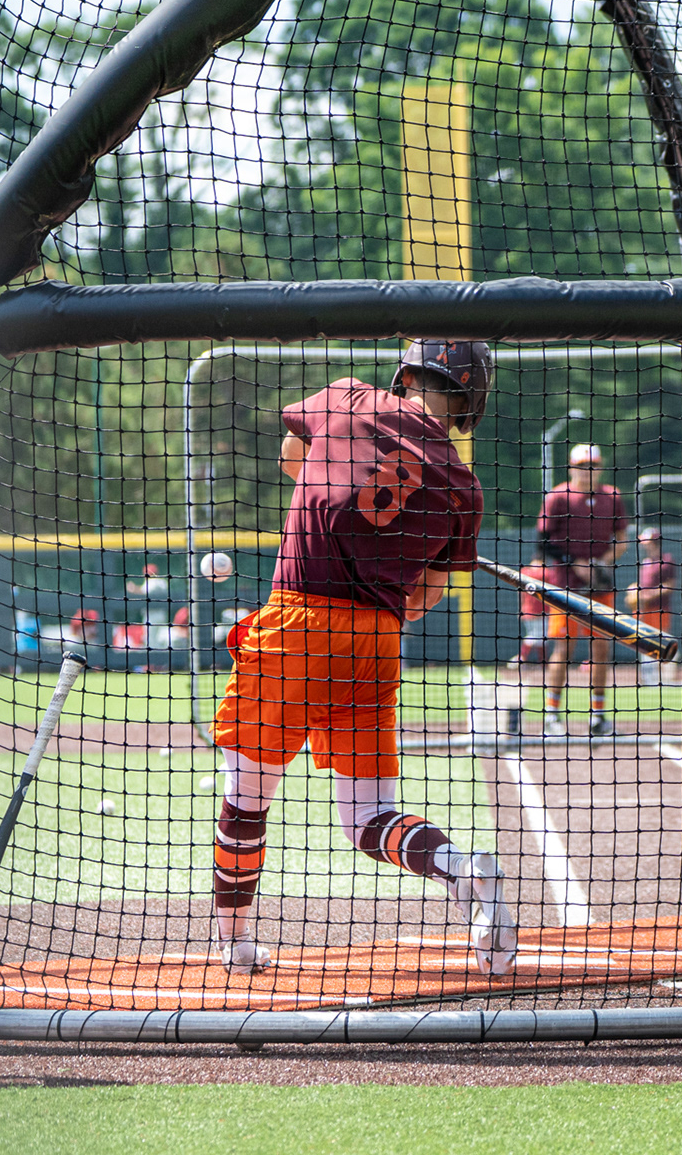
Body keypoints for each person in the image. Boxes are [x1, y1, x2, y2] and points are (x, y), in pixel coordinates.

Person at [210, 340, 515, 977]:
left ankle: (235, 941)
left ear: (408, 372)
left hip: (297, 625)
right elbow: (423, 599)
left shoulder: (349, 397)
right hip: (376, 640)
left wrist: (336, 489)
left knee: (247, 798)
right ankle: (458, 865)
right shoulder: (463, 486)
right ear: (470, 400)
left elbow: (291, 456)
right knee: (368, 817)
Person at [537, 442, 628, 736]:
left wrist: (601, 563)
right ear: (571, 468)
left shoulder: (612, 496)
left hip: (599, 586)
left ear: (600, 467)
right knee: (564, 647)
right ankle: (552, 715)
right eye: (582, 466)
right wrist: (575, 563)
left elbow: (622, 538)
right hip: (565, 587)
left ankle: (598, 716)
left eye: (593, 466)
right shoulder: (558, 497)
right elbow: (542, 542)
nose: (588, 471)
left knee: (601, 648)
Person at [624, 528, 676, 687]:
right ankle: (649, 679)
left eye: (647, 543)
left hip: (659, 609)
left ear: (655, 543)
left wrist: (648, 595)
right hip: (643, 610)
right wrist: (634, 593)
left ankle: (667, 679)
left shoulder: (666, 560)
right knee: (643, 644)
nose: (644, 546)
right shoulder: (645, 562)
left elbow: (670, 586)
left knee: (662, 642)